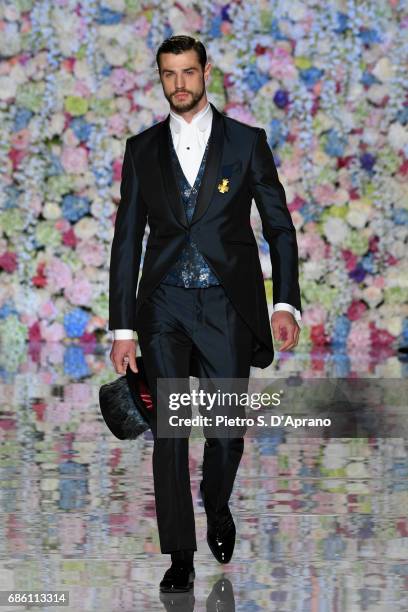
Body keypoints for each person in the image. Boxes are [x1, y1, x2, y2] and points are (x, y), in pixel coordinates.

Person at [108, 35, 302, 593]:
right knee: (170, 431)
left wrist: (283, 301)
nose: (179, 84)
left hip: (225, 304)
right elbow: (127, 242)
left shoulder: (246, 143)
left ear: (207, 73)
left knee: (225, 435)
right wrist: (123, 327)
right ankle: (180, 554)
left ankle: (216, 504)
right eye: (169, 74)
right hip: (164, 305)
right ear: (160, 77)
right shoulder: (142, 149)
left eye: (188, 73)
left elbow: (278, 226)